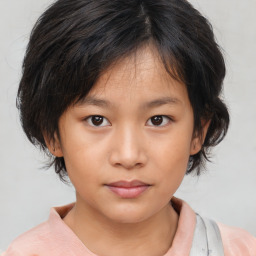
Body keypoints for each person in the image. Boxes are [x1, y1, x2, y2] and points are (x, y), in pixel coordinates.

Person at [2, 0, 256, 255]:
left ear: (198, 131)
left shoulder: (239, 250)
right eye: (97, 120)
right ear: (52, 133)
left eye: (158, 120)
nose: (128, 155)